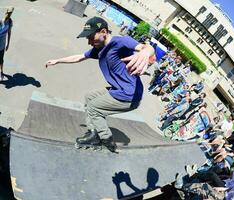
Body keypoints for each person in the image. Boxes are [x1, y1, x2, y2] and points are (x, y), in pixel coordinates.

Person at [45, 17, 155, 152]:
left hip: (129, 95)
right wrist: (57, 60)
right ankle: (93, 132)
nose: (89, 42)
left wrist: (145, 53)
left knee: (94, 108)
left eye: (91, 37)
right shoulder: (99, 49)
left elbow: (145, 47)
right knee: (89, 97)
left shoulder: (120, 42)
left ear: (103, 31)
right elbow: (79, 57)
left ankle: (105, 139)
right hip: (118, 90)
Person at [0, 7, 14, 81]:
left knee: (1, 60)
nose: (9, 14)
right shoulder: (1, 21)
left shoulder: (10, 22)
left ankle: (1, 72)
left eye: (11, 13)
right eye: (9, 13)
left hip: (2, 45)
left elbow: (9, 33)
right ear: (7, 12)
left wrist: (8, 44)